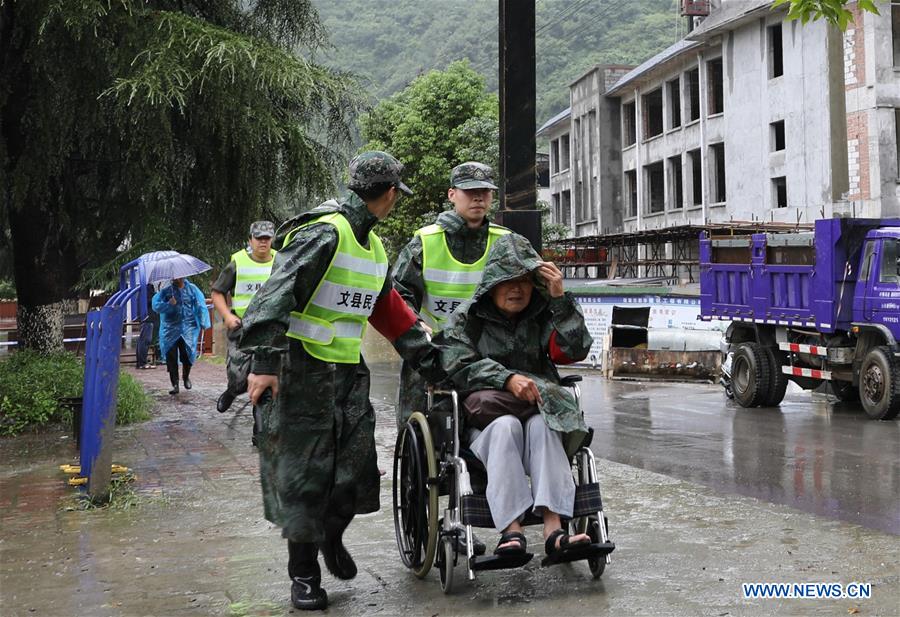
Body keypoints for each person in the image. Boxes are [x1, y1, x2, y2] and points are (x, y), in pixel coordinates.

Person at [239, 151, 443, 611]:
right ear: (389, 194)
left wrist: (433, 361)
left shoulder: (372, 247)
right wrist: (265, 363)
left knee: (355, 472)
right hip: (300, 372)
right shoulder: (323, 232)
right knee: (305, 478)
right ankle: (304, 576)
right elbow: (275, 296)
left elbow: (390, 311)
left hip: (348, 375)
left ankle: (332, 534)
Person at [436, 233, 594, 563]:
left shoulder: (543, 314)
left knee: (542, 425)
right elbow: (455, 364)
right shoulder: (467, 319)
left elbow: (576, 349)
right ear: (491, 284)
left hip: (539, 413)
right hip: (487, 426)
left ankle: (554, 531)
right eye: (508, 280)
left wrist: (560, 301)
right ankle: (512, 530)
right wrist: (506, 379)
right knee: (507, 425)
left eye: (524, 280)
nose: (517, 289)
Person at [391, 162, 508, 427]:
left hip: (488, 353)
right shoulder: (425, 241)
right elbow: (399, 295)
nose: (478, 197)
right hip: (434, 353)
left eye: (485, 191)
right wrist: (417, 328)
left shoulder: (506, 242)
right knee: (419, 430)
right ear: (452, 194)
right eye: (469, 191)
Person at [210, 221, 277, 415]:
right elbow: (217, 292)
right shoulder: (237, 262)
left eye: (267, 238)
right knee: (239, 377)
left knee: (269, 378)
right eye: (258, 238)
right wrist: (227, 316)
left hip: (271, 330)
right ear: (250, 240)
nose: (263, 242)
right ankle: (233, 390)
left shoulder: (281, 262)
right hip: (242, 328)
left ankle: (262, 429)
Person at [151, 277, 211, 395]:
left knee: (187, 355)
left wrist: (203, 321)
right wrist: (168, 304)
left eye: (178, 277)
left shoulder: (193, 290)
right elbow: (156, 306)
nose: (175, 279)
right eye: (173, 277)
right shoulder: (166, 291)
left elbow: (201, 306)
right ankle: (175, 384)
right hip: (170, 330)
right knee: (171, 357)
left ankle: (186, 376)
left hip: (188, 328)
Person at [136, 283, 158, 369]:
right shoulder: (147, 288)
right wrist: (156, 296)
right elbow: (148, 301)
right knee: (145, 340)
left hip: (145, 317)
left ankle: (141, 362)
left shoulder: (143, 288)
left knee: (143, 340)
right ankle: (142, 362)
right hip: (147, 317)